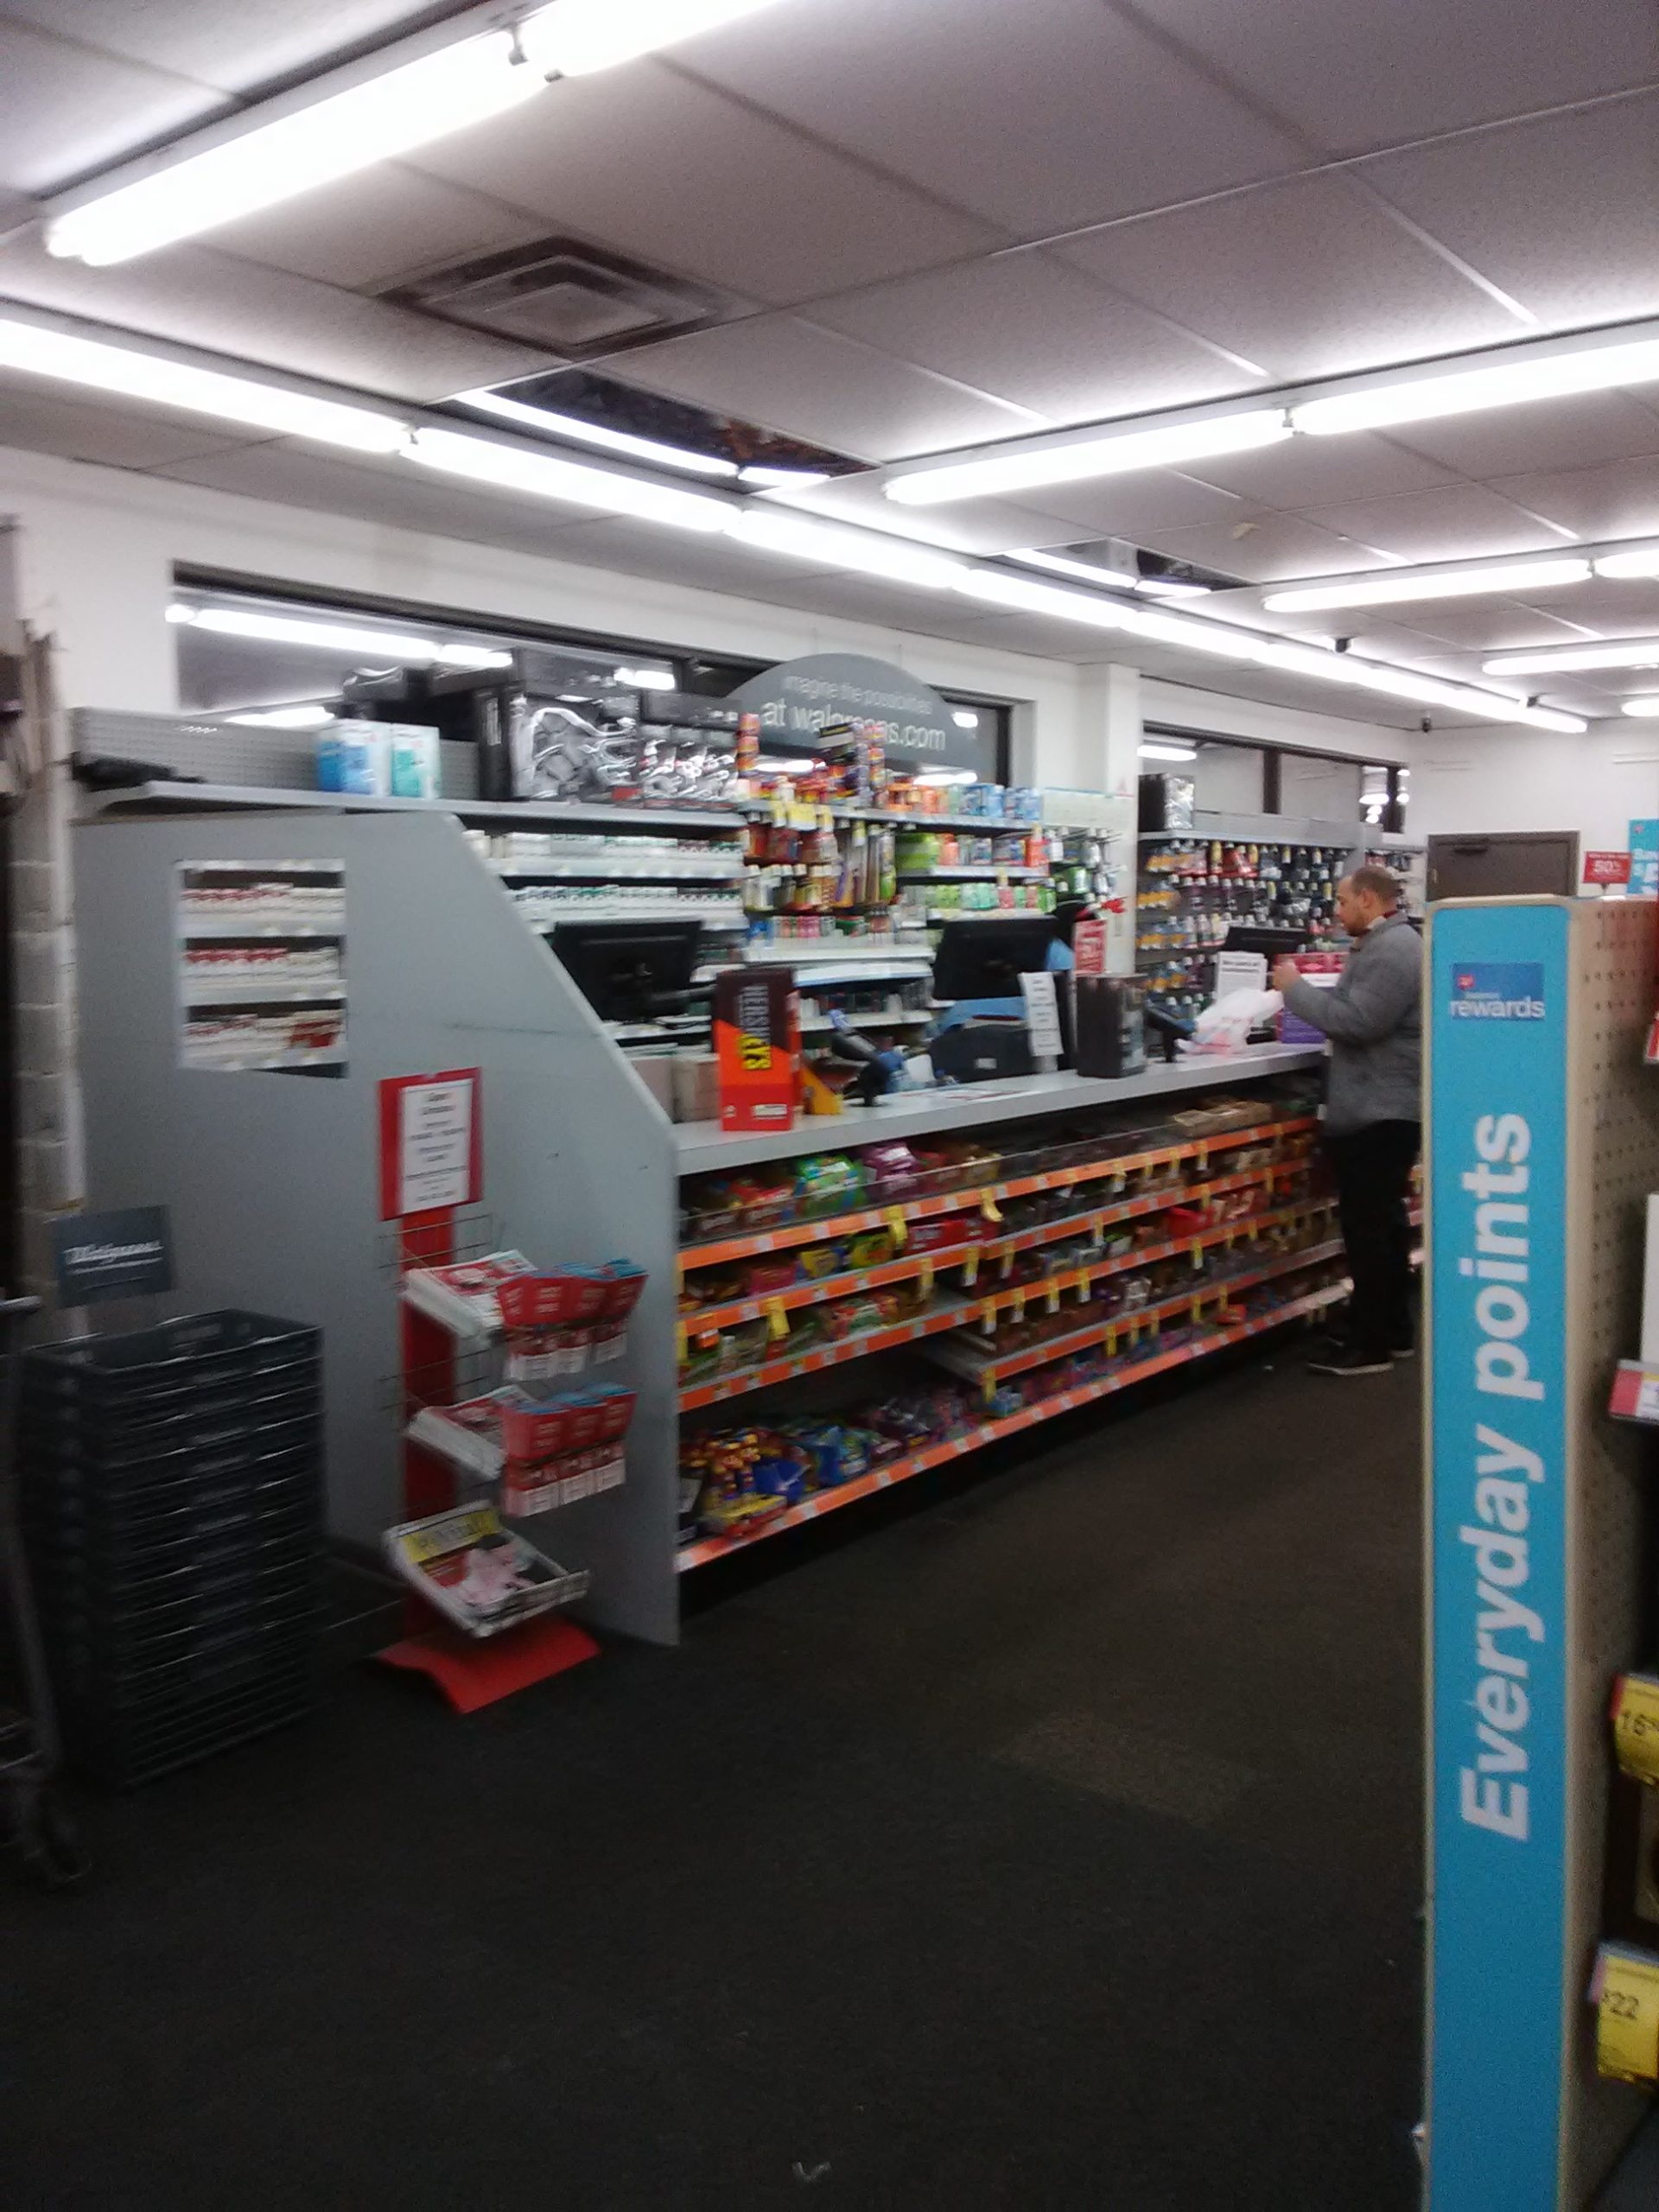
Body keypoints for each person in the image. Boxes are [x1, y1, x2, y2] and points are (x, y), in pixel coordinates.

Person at [1270, 867, 1422, 1378]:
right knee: (1383, 1227)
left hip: (1380, 1113)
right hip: (1376, 1108)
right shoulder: (1379, 945)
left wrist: (1294, 990)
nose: (1336, 911)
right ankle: (1388, 1328)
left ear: (1369, 900)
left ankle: (1371, 1344)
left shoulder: (1394, 950)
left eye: (1342, 901)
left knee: (1369, 1232)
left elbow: (1359, 1022)